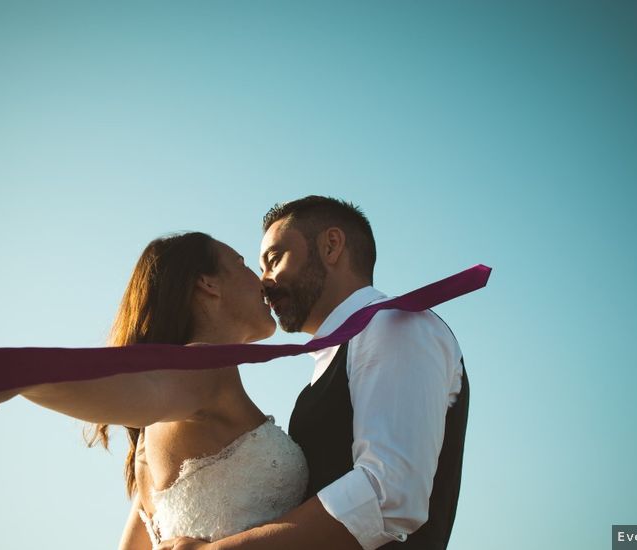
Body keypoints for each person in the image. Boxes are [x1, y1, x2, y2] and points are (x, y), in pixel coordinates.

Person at [0, 231, 309, 549]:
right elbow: (144, 395)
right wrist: (10, 374)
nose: (262, 280)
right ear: (208, 283)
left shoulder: (151, 435)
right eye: (242, 264)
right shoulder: (204, 366)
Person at [159, 196, 469, 550]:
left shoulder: (394, 325)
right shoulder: (334, 359)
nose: (265, 283)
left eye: (274, 260)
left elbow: (389, 495)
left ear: (331, 246)